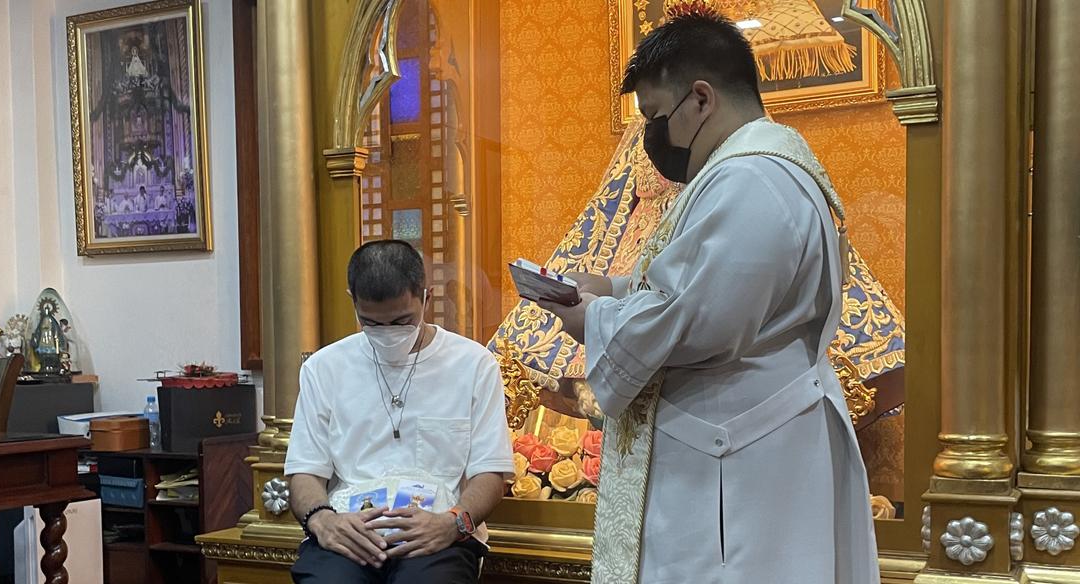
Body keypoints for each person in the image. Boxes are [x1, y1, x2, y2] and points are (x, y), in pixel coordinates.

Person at [538, 10, 879, 584]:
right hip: (734, 445)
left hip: (736, 461)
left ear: (700, 98)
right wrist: (615, 288)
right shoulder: (744, 172)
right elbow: (700, 285)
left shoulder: (753, 180)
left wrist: (589, 316)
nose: (652, 137)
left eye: (654, 116)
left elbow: (700, 321)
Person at [285, 240, 515, 584]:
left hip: (437, 531)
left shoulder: (473, 364)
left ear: (426, 298)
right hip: (350, 530)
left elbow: (491, 474)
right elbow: (304, 472)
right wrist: (322, 521)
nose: (388, 334)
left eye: (402, 320)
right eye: (372, 324)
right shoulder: (324, 368)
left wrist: (452, 524)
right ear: (353, 302)